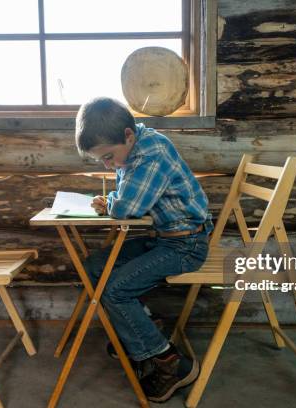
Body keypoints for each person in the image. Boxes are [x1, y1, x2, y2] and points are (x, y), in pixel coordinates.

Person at [75, 97, 213, 402]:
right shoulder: (132, 148)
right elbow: (126, 200)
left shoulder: (151, 152)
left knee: (115, 290)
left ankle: (168, 361)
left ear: (128, 134)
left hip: (186, 246)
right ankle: (144, 327)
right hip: (166, 238)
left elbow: (127, 207)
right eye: (103, 161)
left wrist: (111, 203)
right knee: (95, 266)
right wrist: (115, 201)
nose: (110, 165)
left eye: (110, 157)